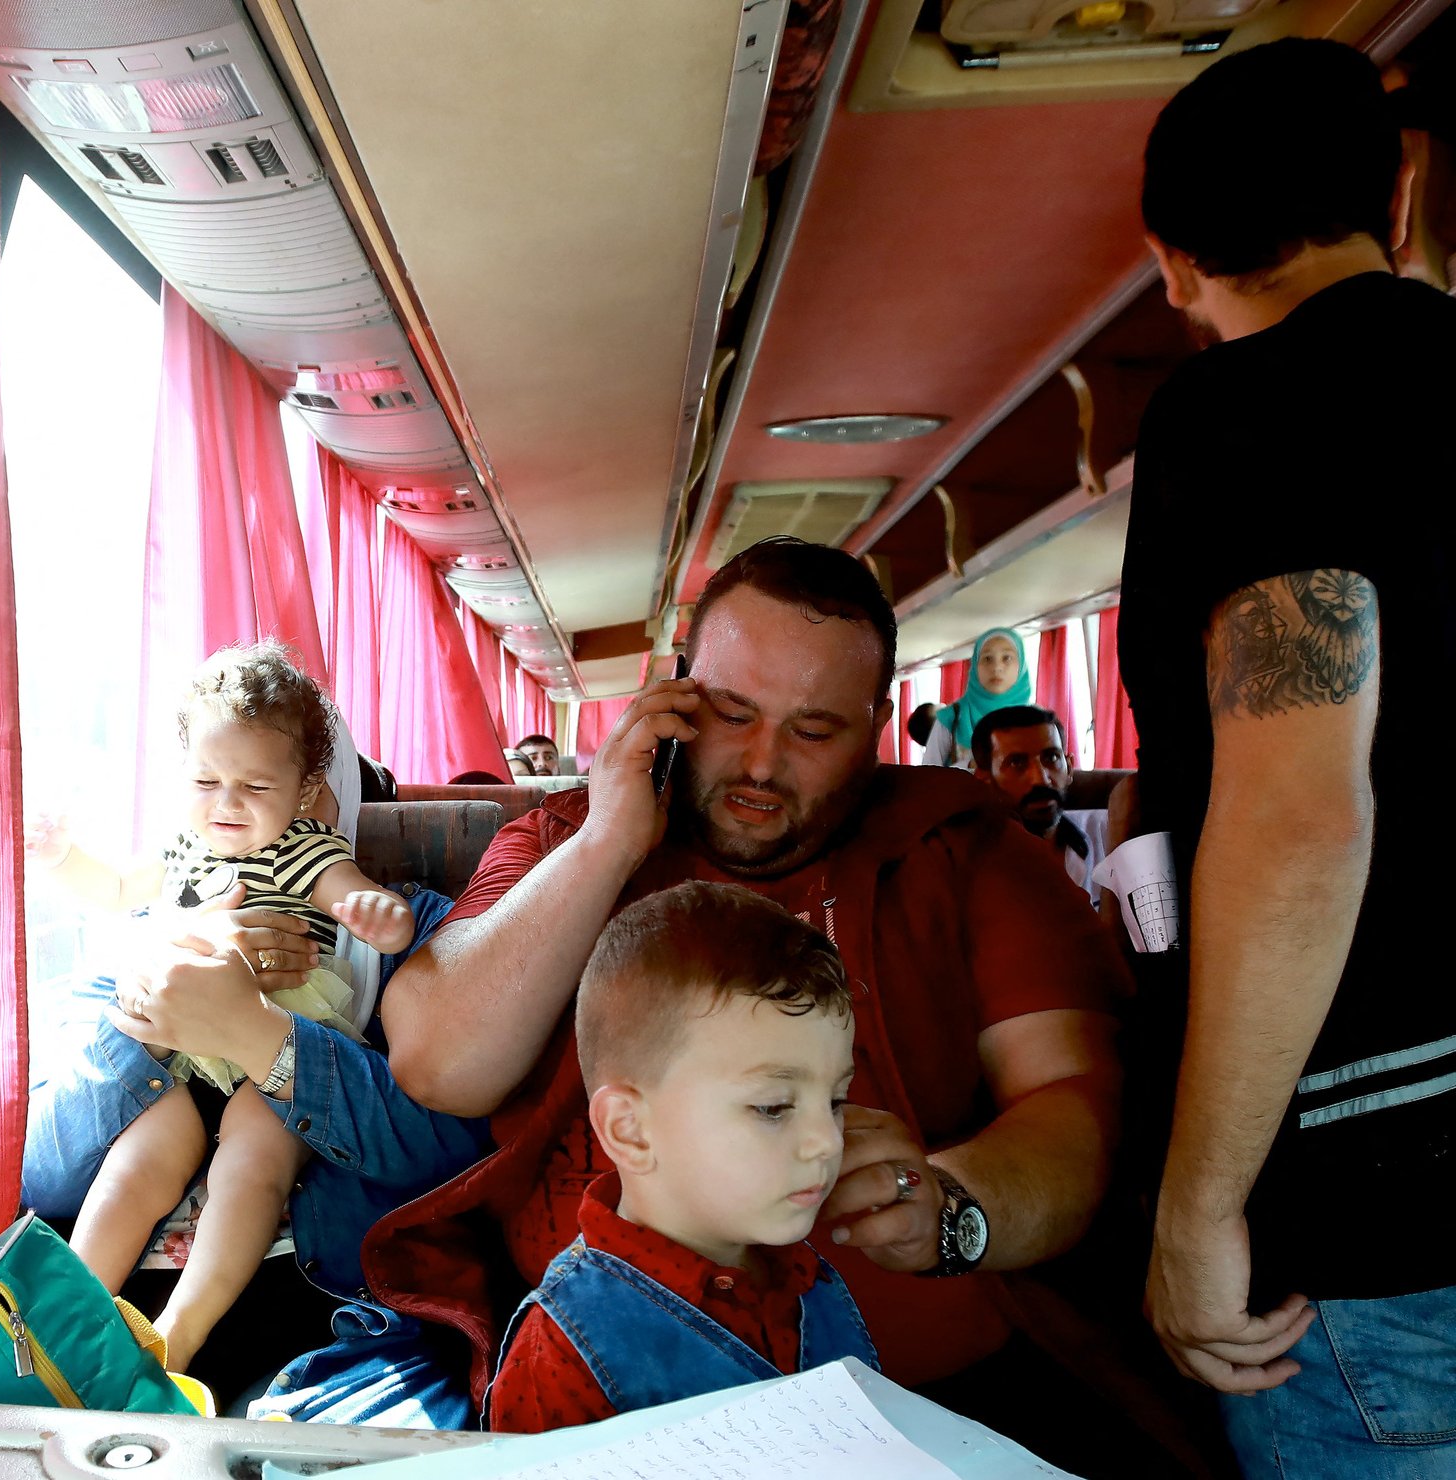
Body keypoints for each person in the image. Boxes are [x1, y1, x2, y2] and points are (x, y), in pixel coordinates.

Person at [373, 538, 1132, 1465]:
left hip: (931, 1405)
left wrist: (953, 1207)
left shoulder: (967, 850)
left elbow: (1074, 1102)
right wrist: (610, 843)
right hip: (619, 1394)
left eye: (815, 731)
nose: (762, 766)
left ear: (877, 724)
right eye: (731, 713)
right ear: (678, 696)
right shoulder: (568, 838)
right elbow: (438, 1064)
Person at [1119, 37, 1456, 1478]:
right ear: (1402, 188)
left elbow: (1302, 811)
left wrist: (1200, 1208)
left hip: (1384, 1213)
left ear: (1173, 259)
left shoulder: (1242, 417)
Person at [23, 708, 492, 1424]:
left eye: (259, 786)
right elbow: (37, 1169)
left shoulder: (410, 935)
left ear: (316, 803)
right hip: (145, 1199)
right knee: (141, 1157)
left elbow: (450, 1147)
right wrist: (159, 986)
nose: (230, 808)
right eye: (209, 783)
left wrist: (263, 1037)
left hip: (316, 1313)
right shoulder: (156, 917)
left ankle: (169, 1347)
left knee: (255, 1149)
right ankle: (60, 1326)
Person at [487, 882, 876, 1431]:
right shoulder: (566, 1351)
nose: (829, 1140)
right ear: (631, 1131)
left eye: (835, 1100)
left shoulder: (806, 1281)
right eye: (772, 1107)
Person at [970, 705, 1109, 908]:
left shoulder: (1108, 833)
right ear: (985, 780)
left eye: (1051, 757)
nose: (1041, 779)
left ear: (1069, 767)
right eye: (1017, 763)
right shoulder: (969, 868)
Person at [921, 628, 1031, 769]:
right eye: (987, 658)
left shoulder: (1036, 721)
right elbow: (928, 774)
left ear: (1021, 664)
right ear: (975, 666)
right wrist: (970, 766)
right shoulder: (951, 718)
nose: (996, 667)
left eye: (1007, 658)